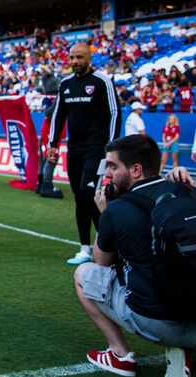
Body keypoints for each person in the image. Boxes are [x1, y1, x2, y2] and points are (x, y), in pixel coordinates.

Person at [74, 135, 195, 377]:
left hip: (158, 322)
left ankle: (119, 355)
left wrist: (104, 215)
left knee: (83, 274)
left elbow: (101, 261)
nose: (107, 173)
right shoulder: (185, 191)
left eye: (112, 166)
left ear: (136, 169)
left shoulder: (116, 209)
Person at [48, 43, 121, 265]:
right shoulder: (66, 84)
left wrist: (111, 147)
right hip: (74, 149)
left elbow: (115, 112)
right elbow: (58, 115)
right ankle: (85, 249)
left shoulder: (102, 81)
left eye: (79, 57)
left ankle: (107, 242)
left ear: (89, 58)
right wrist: (52, 144)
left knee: (87, 193)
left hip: (97, 149)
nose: (75, 61)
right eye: (71, 57)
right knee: (80, 198)